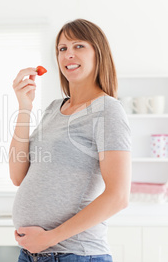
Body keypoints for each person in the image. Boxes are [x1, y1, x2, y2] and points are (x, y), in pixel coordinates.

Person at [9, 18, 131, 262]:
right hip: (33, 254)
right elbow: (17, 175)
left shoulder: (107, 110)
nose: (68, 55)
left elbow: (118, 196)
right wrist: (24, 107)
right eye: (62, 49)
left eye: (79, 46)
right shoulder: (55, 108)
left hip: (75, 254)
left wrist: (49, 237)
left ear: (99, 53)